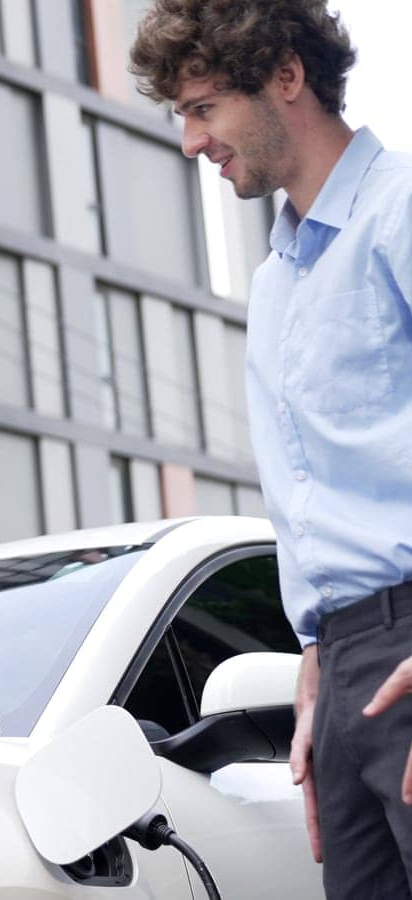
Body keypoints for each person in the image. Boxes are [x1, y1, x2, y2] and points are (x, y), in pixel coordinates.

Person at [131, 1, 412, 895]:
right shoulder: (275, 282)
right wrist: (319, 665)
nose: (189, 141)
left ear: (286, 77)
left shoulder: (402, 213)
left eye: (203, 107)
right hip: (338, 677)